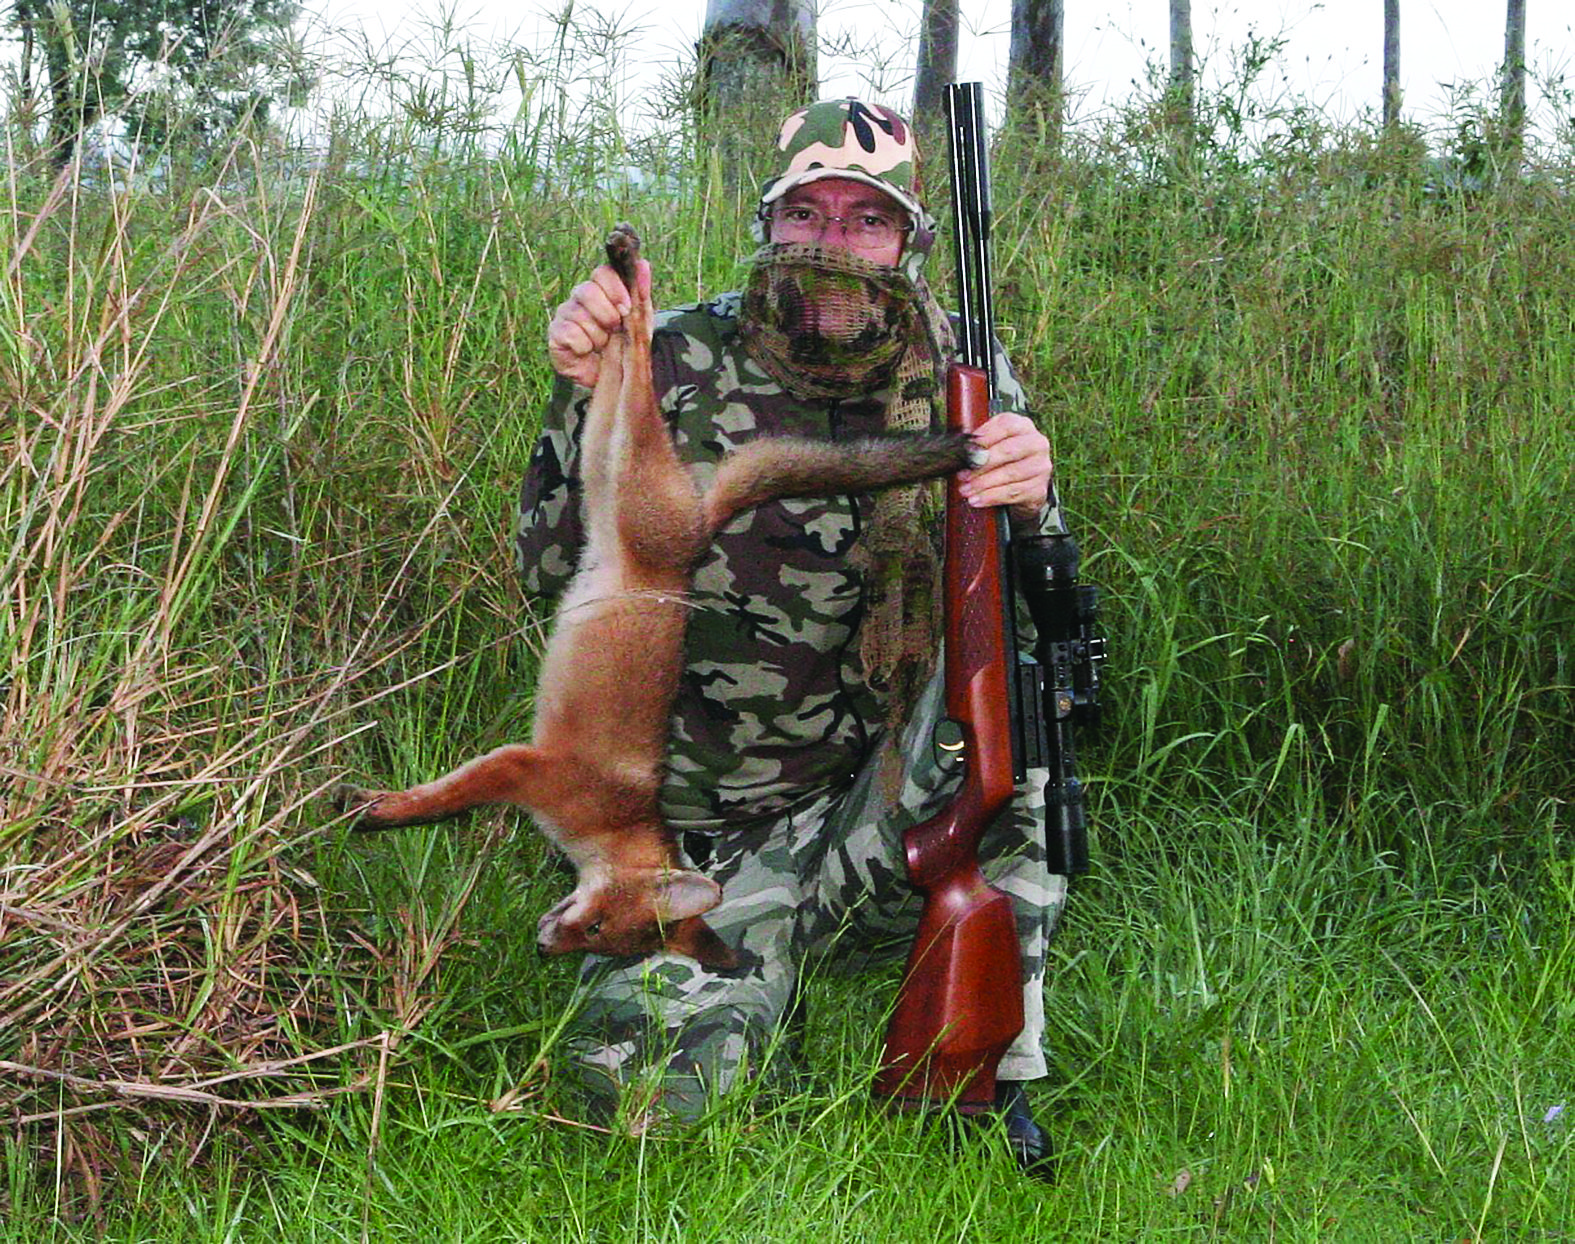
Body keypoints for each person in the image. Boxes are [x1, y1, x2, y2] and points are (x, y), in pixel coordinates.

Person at [517, 97, 1066, 1175]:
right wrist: (577, 398)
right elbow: (551, 575)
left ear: (907, 241)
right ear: (768, 225)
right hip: (703, 828)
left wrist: (1037, 497)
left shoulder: (964, 371)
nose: (833, 245)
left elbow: (1042, 594)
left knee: (1019, 715)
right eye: (806, 213)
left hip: (878, 801)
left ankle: (989, 1064)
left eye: (867, 220)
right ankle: (753, 964)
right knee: (651, 1117)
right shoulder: (672, 357)